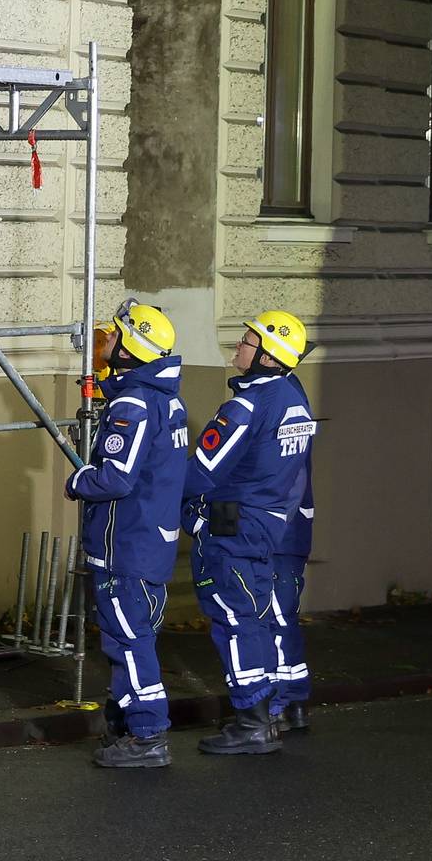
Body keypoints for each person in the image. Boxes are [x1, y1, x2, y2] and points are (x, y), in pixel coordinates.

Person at [183, 309, 318, 756]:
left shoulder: (245, 406)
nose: (238, 346)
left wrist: (159, 490)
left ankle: (251, 722)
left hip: (232, 519)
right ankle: (264, 716)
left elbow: (202, 474)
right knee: (256, 616)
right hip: (268, 522)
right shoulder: (294, 400)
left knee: (234, 617)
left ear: (267, 356)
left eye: (247, 341)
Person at [64, 301, 188, 769]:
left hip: (126, 546)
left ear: (131, 348)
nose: (106, 341)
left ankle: (147, 734)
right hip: (149, 542)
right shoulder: (165, 398)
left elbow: (116, 478)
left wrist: (77, 482)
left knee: (128, 641)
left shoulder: (133, 405)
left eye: (114, 336)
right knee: (135, 638)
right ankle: (126, 721)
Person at [271, 473, 315, 733]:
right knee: (285, 619)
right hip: (293, 532)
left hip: (278, 535)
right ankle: (296, 702)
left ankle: (275, 705)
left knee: (272, 622)